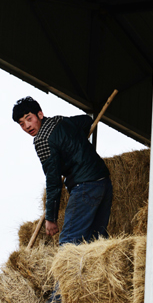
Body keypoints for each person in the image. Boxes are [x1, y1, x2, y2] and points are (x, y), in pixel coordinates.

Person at [13, 96, 113, 246]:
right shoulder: (59, 120)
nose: (27, 126)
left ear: (40, 114)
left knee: (69, 243)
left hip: (84, 185)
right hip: (103, 182)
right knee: (96, 241)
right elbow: (86, 120)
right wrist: (72, 142)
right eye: (21, 124)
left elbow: (53, 180)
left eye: (29, 118)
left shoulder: (42, 140)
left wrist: (51, 218)